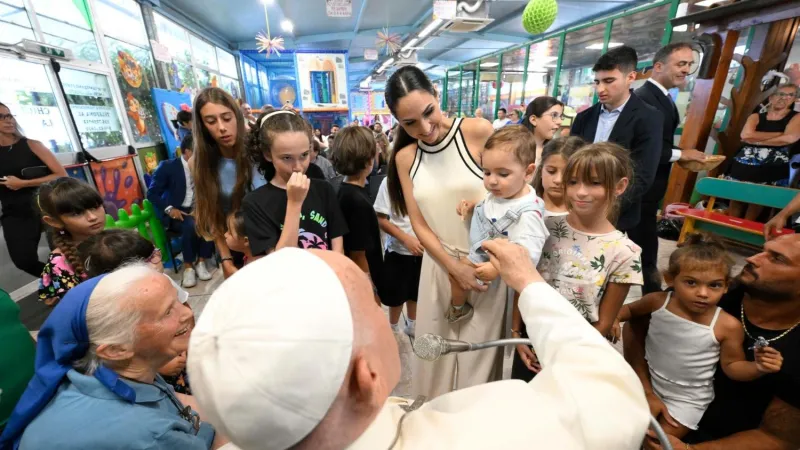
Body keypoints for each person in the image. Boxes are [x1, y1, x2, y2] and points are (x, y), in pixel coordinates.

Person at [186, 243, 650, 450]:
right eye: (371, 302)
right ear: (366, 379)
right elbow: (610, 398)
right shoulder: (501, 432)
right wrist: (529, 283)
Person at [0, 264, 229, 449]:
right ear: (116, 349)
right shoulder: (150, 435)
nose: (187, 313)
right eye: (167, 312)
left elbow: (177, 403)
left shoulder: (107, 370)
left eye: (177, 301)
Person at [384, 66, 508, 399]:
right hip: (439, 267)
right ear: (398, 122)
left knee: (480, 361)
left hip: (487, 266)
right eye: (410, 123)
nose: (425, 128)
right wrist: (453, 267)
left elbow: (510, 191)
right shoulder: (405, 157)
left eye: (429, 113)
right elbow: (419, 223)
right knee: (433, 359)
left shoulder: (478, 131)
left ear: (438, 96)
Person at [627, 234, 800, 450]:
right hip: (653, 394)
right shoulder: (709, 292)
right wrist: (645, 390)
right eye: (764, 249)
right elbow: (636, 325)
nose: (753, 258)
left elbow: (778, 438)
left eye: (777, 258)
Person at [513, 143, 642, 381]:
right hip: (528, 343)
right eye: (573, 182)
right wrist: (516, 334)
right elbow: (523, 285)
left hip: (575, 355)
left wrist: (562, 357)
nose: (581, 192)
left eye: (594, 183)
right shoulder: (542, 227)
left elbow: (603, 323)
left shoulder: (625, 252)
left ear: (620, 186)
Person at [632, 42, 713, 294]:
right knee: (643, 245)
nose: (686, 70)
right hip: (642, 185)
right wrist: (680, 154)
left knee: (643, 242)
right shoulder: (646, 99)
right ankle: (652, 295)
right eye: (681, 64)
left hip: (651, 186)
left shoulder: (663, 97)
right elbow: (643, 147)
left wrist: (681, 156)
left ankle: (651, 290)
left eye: (690, 64)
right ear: (658, 66)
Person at [449, 126, 548, 323]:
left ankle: (457, 308)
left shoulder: (528, 212)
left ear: (528, 172)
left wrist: (496, 268)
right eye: (486, 172)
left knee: (460, 275)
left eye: (503, 174)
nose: (492, 181)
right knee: (455, 272)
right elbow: (492, 205)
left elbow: (527, 253)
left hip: (496, 263)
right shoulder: (503, 193)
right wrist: (474, 205)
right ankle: (458, 307)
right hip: (480, 251)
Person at [78, 229, 195, 395]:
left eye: (154, 253)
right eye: (146, 261)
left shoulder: (162, 283)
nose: (155, 262)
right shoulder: (110, 312)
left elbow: (186, 313)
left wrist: (184, 347)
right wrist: (160, 366)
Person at [570, 45, 663, 232]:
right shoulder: (584, 117)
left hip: (618, 212)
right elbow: (570, 161)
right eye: (597, 82)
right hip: (576, 205)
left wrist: (607, 206)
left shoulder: (648, 117)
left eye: (609, 80)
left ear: (631, 77)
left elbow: (642, 175)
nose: (601, 88)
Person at [242, 109, 347, 256]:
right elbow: (281, 262)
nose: (298, 167)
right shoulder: (254, 203)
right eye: (287, 158)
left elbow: (337, 245)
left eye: (304, 155)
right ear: (267, 154)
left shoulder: (324, 189)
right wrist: (294, 202)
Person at [191, 88, 266, 279]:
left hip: (274, 244)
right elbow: (213, 214)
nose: (221, 127)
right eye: (211, 121)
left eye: (226, 118)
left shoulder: (260, 152)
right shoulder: (200, 164)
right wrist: (226, 259)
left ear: (237, 117)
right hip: (237, 249)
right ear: (202, 126)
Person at [0, 101, 67, 278]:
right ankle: (58, 280)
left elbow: (61, 175)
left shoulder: (31, 144)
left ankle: (73, 284)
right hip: (14, 212)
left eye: (9, 115)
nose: (8, 120)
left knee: (63, 254)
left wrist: (22, 183)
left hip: (45, 205)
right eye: (1, 117)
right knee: (23, 260)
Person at [147, 135, 215, 287]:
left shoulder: (204, 168)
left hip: (197, 208)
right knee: (190, 225)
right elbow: (152, 193)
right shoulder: (168, 167)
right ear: (188, 152)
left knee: (210, 221)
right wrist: (170, 209)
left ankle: (201, 261)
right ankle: (188, 267)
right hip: (176, 212)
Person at [726, 83, 800, 220]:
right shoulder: (755, 116)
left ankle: (745, 234)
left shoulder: (797, 117)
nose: (784, 98)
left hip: (773, 166)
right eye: (781, 94)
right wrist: (779, 134)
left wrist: (758, 140)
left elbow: (790, 138)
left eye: (790, 95)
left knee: (759, 201)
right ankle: (726, 233)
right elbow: (746, 135)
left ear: (795, 99)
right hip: (744, 164)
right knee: (736, 197)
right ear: (771, 97)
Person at [331, 126, 382, 305]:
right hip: (358, 276)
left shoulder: (339, 188)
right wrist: (370, 290)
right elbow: (358, 254)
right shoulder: (357, 200)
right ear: (368, 161)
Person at [36, 178, 105, 306]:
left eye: (96, 207)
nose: (93, 217)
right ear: (53, 221)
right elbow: (78, 308)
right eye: (76, 213)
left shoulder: (117, 237)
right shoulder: (59, 264)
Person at [373, 176, 421, 337]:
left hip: (425, 251)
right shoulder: (390, 181)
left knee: (416, 290)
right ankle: (392, 327)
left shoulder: (427, 177)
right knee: (396, 294)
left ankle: (412, 324)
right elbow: (380, 218)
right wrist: (405, 238)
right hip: (398, 249)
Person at [531, 136, 586, 218]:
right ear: (541, 170)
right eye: (551, 171)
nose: (558, 180)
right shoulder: (524, 206)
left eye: (568, 173)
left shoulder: (588, 215)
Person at [523, 96, 566, 165]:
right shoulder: (515, 149)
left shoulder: (556, 150)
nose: (560, 121)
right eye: (554, 115)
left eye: (561, 117)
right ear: (533, 120)